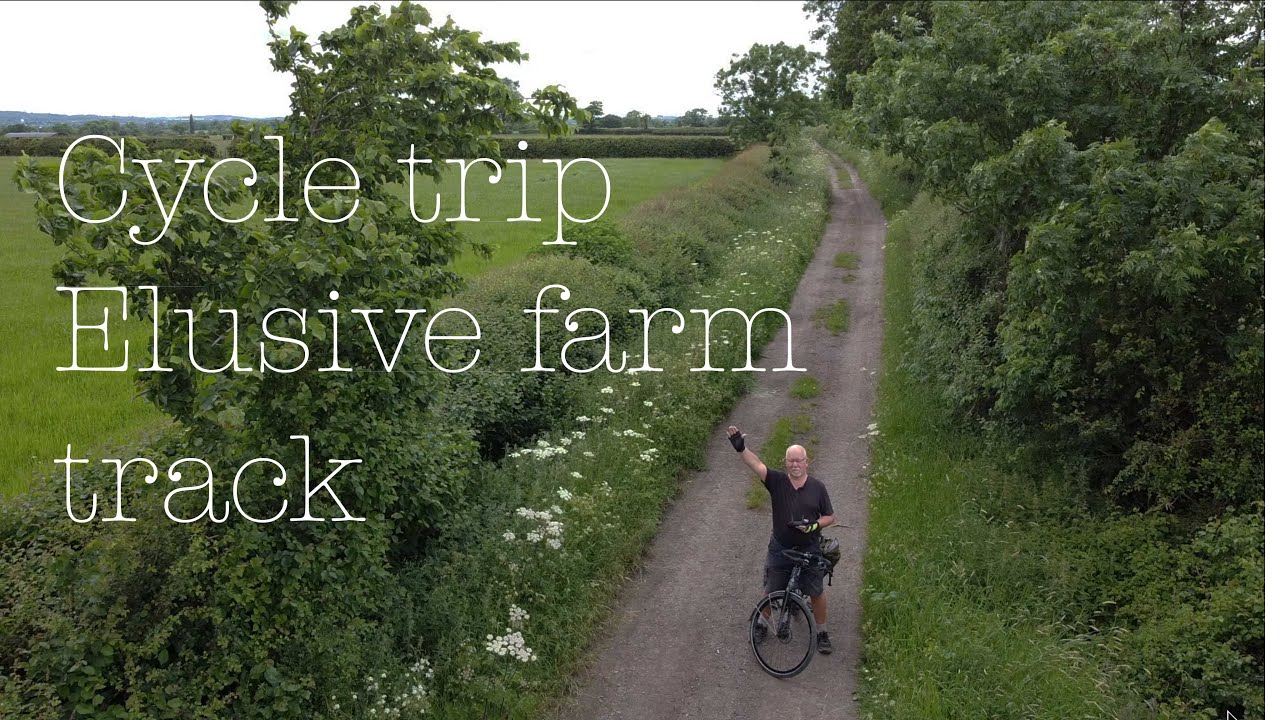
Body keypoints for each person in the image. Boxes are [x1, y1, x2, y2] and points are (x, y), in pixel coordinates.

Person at [726, 425, 835, 655]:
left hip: (809, 548)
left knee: (816, 591)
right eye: (791, 460)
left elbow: (829, 517)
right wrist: (741, 449)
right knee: (771, 588)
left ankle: (822, 632)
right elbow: (756, 464)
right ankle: (761, 625)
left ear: (807, 462)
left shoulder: (818, 488)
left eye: (799, 460)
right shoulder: (777, 481)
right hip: (780, 548)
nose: (795, 464)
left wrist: (814, 526)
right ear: (786, 463)